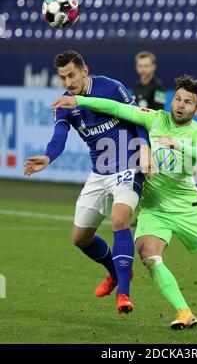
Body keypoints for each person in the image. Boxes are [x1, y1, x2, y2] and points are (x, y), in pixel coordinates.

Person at [52, 75, 197, 329]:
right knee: (148, 255)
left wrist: (177, 144)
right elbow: (116, 108)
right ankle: (184, 311)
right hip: (154, 209)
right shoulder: (155, 118)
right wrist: (78, 99)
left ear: (196, 109)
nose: (180, 105)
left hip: (187, 209)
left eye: (188, 102)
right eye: (178, 99)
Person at [24, 50, 150, 314]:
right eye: (62, 77)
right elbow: (59, 135)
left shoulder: (111, 87)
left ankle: (124, 295)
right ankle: (115, 273)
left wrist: (145, 151)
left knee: (119, 219)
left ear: (84, 70)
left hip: (128, 167)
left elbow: (139, 118)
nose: (68, 82)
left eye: (72, 74)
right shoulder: (65, 103)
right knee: (80, 238)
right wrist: (48, 157)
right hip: (99, 173)